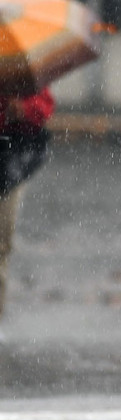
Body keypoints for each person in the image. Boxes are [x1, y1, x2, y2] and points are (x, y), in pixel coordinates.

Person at [0, 87, 55, 334]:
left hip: (10, 160)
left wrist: (20, 110)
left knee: (2, 241)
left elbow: (43, 108)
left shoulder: (20, 71)